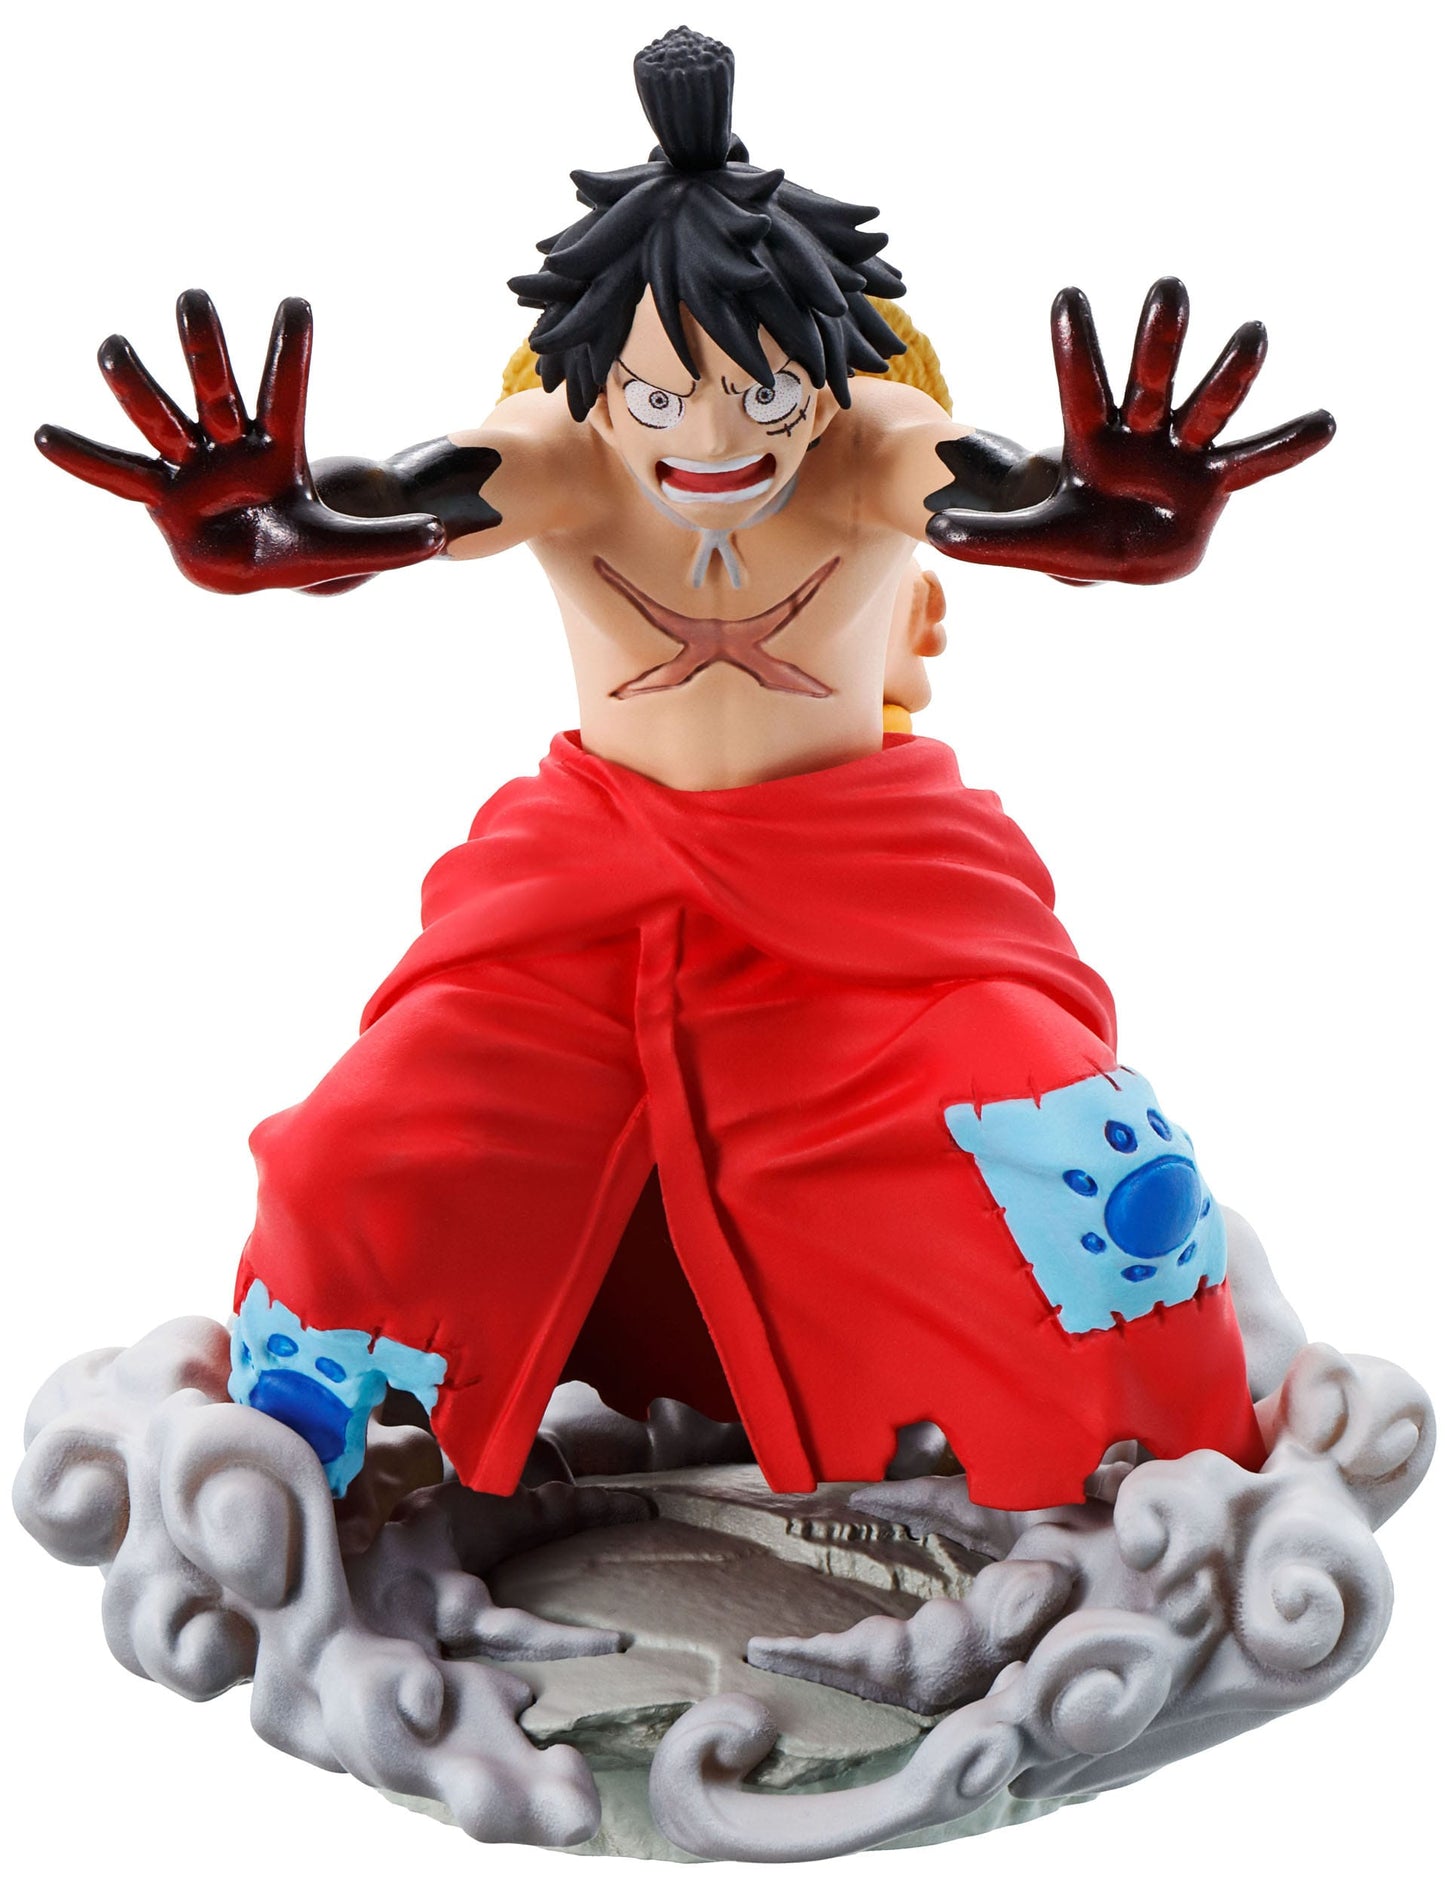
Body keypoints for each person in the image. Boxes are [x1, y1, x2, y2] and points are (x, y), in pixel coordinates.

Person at [34, 27, 1334, 1510]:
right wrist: (281, 526)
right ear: (602, 389)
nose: (715, 438)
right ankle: (297, 1492)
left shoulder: (866, 440)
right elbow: (408, 498)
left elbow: (984, 486)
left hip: (867, 900)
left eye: (764, 395)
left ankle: (1141, 1486)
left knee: (1083, 1157)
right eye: (662, 398)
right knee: (352, 1158)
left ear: (824, 376)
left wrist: (1098, 514)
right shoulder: (563, 448)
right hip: (582, 906)